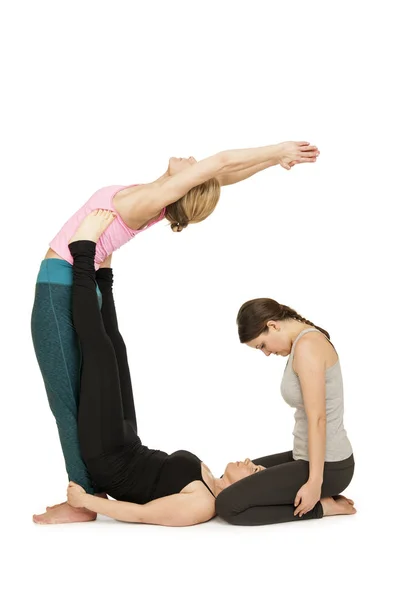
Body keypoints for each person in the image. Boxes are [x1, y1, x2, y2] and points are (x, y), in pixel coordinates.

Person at [32, 140, 319, 524]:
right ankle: (86, 491)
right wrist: (268, 163)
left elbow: (221, 162)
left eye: (192, 168)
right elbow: (222, 173)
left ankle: (82, 497)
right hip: (81, 280)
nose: (192, 159)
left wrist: (278, 151)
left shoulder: (152, 200)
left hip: (62, 284)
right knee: (96, 370)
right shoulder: (155, 194)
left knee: (66, 394)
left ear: (183, 185)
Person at [62, 210, 264, 526]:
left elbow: (142, 514)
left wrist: (85, 501)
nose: (251, 461)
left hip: (109, 459)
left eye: (253, 470)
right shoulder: (208, 479)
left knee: (98, 349)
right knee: (115, 347)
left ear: (248, 487)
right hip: (127, 442)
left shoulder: (202, 506)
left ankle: (83, 250)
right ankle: (103, 272)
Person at [215, 298, 356, 526]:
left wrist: (314, 483)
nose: (266, 353)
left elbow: (318, 419)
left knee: (228, 505)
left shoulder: (308, 345)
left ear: (272, 325)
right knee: (228, 480)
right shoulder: (303, 342)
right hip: (304, 456)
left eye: (261, 345)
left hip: (330, 466)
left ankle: (323, 507)